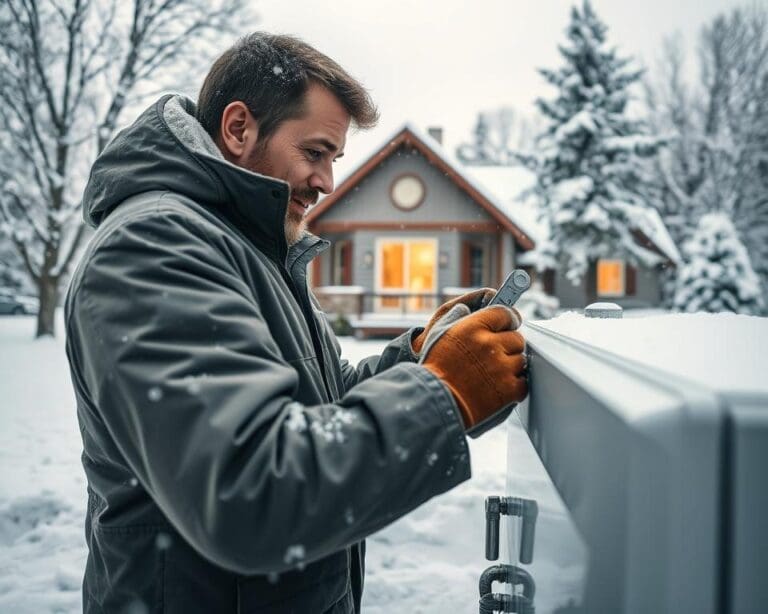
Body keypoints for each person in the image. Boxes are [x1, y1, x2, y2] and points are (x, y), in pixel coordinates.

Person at [64, 32, 528, 613]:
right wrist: (445, 392)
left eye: (334, 160)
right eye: (315, 153)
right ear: (238, 129)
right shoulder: (155, 247)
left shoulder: (247, 248)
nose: (328, 183)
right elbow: (249, 490)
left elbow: (320, 410)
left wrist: (421, 358)